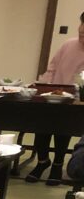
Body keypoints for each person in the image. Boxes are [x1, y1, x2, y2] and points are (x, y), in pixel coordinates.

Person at [26, 12, 84, 185]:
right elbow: (52, 68)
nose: (81, 30)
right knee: (41, 124)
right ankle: (43, 161)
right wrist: (42, 86)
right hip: (53, 96)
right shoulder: (68, 44)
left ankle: (58, 164)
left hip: (75, 101)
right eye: (81, 26)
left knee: (63, 127)